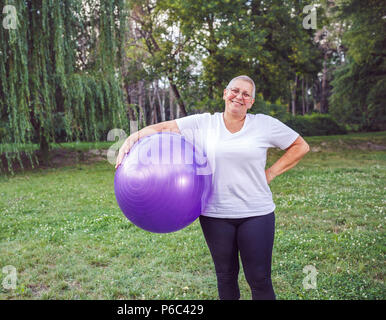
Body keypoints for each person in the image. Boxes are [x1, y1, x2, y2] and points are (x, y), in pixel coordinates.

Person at [115, 75, 310, 300]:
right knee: (225, 277)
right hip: (215, 214)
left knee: (259, 278)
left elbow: (300, 146)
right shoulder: (203, 123)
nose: (239, 96)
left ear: (251, 102)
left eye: (246, 94)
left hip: (256, 213)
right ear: (225, 93)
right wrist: (131, 139)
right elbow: (162, 128)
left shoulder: (263, 124)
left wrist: (270, 173)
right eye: (235, 91)